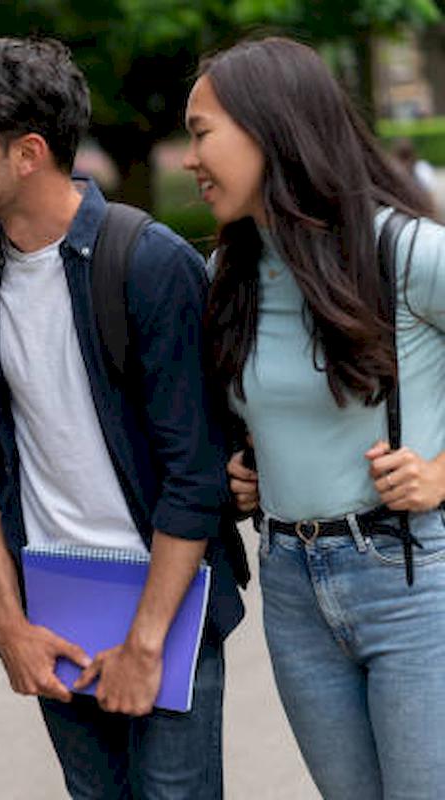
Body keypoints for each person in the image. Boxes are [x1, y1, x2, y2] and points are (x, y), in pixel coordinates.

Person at [0, 37, 246, 798]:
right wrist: (9, 622)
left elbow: (192, 475)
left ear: (29, 152)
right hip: (55, 608)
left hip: (164, 605)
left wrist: (146, 643)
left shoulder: (149, 263)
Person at [186, 37, 445, 798]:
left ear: (271, 128)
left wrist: (440, 472)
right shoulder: (225, 273)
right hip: (294, 585)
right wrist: (251, 469)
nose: (190, 157)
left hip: (410, 574)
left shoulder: (406, 253)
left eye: (202, 132)